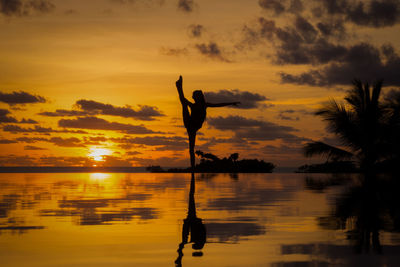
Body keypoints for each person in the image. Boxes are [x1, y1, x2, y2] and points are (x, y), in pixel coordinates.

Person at [176, 75, 240, 170]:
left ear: (198, 97)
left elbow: (218, 105)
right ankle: (179, 86)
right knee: (183, 103)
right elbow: (183, 99)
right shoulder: (193, 105)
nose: (193, 97)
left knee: (191, 148)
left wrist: (231, 103)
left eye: (195, 95)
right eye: (194, 96)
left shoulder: (204, 105)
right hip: (189, 123)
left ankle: (193, 169)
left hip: (194, 126)